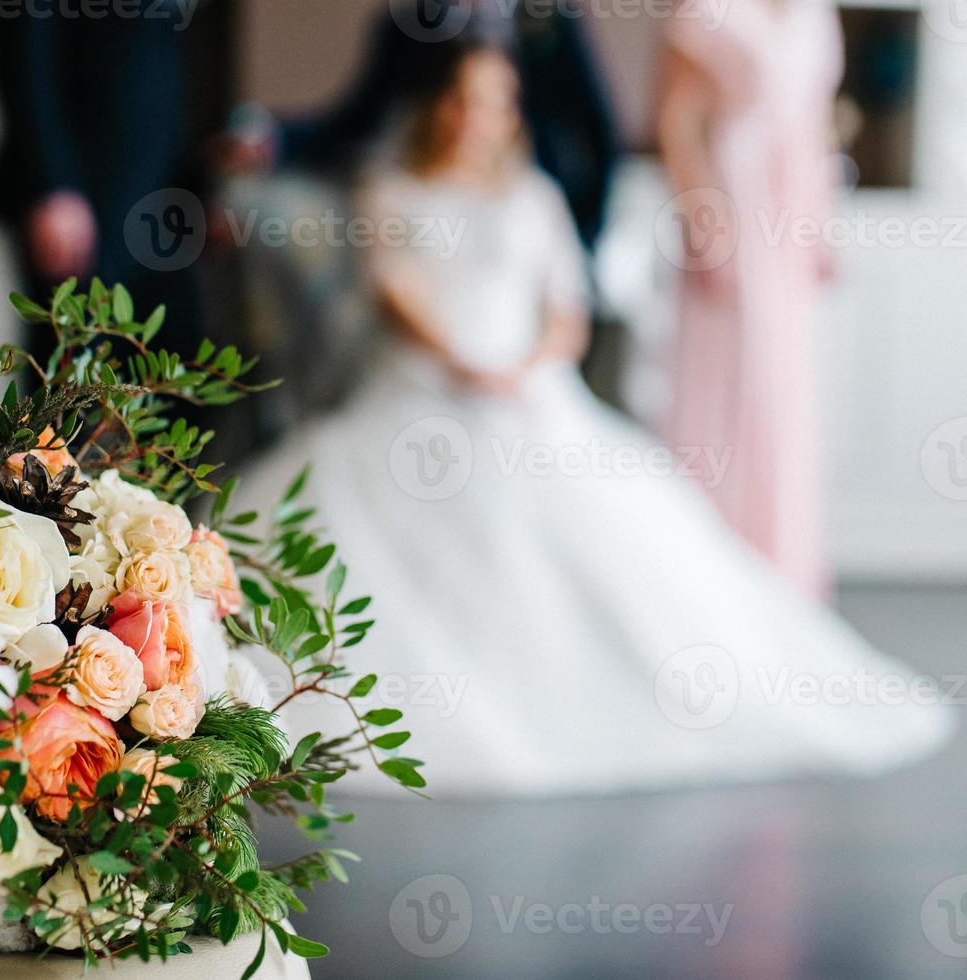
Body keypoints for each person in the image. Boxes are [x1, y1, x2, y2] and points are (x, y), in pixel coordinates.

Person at [237, 38, 949, 796]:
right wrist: (468, 365)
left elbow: (565, 311)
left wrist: (523, 366)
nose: (477, 116)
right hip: (424, 387)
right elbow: (398, 295)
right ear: (435, 107)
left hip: (529, 388)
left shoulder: (533, 194)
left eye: (494, 101)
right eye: (462, 99)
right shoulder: (391, 190)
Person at [657, 0, 844, 596]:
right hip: (736, 206)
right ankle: (710, 573)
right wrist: (707, 222)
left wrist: (822, 221)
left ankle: (780, 568)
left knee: (784, 397)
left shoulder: (815, 11)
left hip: (791, 220)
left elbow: (816, 122)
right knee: (731, 387)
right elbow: (676, 121)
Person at [223, 0, 619, 249]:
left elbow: (598, 129)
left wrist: (587, 235)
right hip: (437, 209)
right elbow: (355, 122)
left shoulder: (550, 17)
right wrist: (273, 138)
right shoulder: (407, 24)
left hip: (523, 207)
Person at [0, 8, 207, 361]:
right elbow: (23, 47)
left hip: (157, 197)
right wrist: (52, 185)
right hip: (82, 195)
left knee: (168, 363)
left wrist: (197, 188)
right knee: (74, 367)